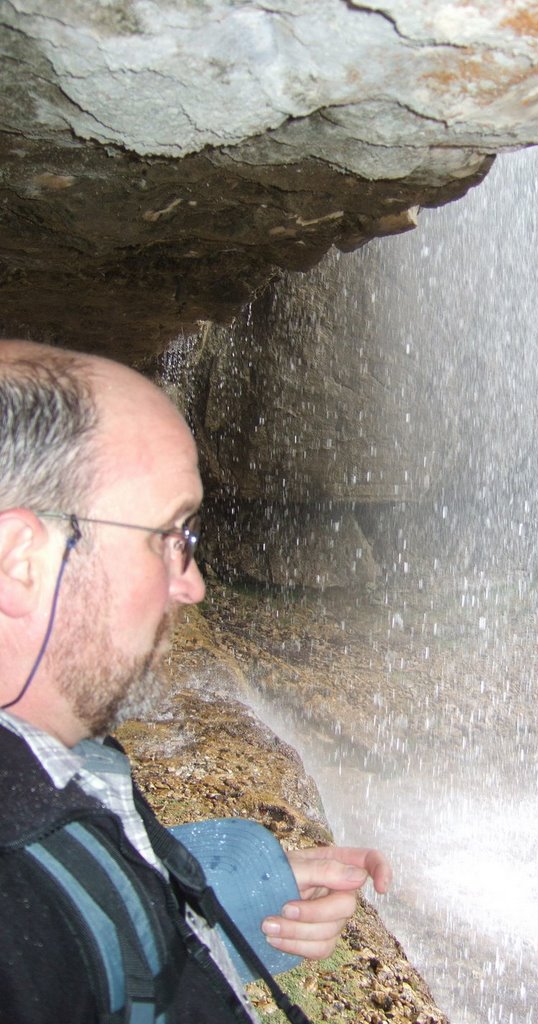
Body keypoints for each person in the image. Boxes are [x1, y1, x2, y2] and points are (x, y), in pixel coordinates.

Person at [0, 339, 392, 1023]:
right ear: (19, 560)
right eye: (170, 534)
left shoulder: (54, 774)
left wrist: (229, 893)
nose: (193, 584)